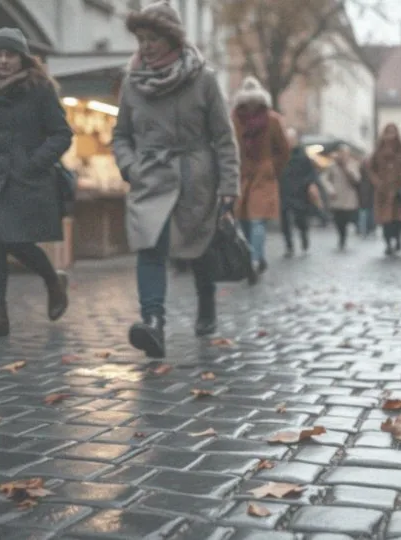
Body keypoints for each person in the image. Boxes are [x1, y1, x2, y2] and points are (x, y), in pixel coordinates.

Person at [112, 1, 240, 356]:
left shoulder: (203, 78)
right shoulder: (132, 82)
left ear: (172, 39)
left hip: (195, 178)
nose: (146, 46)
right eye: (141, 39)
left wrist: (229, 186)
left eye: (153, 39)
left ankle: (206, 302)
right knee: (149, 246)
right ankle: (153, 323)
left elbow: (223, 138)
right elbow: (121, 135)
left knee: (199, 249)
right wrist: (130, 167)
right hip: (150, 177)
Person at [0, 28, 72, 343]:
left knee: (16, 240)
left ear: (22, 57)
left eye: (9, 55)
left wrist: (33, 162)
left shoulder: (40, 88)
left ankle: (52, 280)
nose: (3, 61)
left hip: (25, 180)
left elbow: (61, 134)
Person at [231, 77, 291, 277]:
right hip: (241, 175)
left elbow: (284, 150)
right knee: (244, 220)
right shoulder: (234, 120)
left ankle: (254, 260)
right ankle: (255, 257)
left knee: (256, 219)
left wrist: (272, 168)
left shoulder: (271, 120)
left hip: (261, 176)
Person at [368, 124, 401, 256]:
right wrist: (376, 181)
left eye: (393, 132)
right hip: (383, 191)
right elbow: (370, 169)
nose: (390, 135)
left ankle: (398, 238)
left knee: (398, 219)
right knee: (385, 220)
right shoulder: (378, 151)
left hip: (399, 190)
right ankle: (388, 244)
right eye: (388, 132)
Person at [279, 128, 318, 257]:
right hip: (284, 192)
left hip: (299, 193)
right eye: (287, 139)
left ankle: (304, 236)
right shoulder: (281, 154)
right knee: (284, 221)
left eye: (291, 139)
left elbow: (311, 173)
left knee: (300, 219)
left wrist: (308, 184)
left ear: (296, 140)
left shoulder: (303, 155)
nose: (289, 142)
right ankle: (289, 246)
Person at [323, 145, 361, 250]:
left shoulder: (353, 164)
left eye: (345, 154)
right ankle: (341, 237)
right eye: (341, 153)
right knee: (338, 220)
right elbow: (325, 179)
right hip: (337, 196)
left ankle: (345, 236)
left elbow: (357, 179)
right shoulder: (332, 166)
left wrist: (346, 168)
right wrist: (330, 189)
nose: (343, 156)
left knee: (347, 218)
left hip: (349, 197)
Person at [357, 158, 376, 238]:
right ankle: (365, 230)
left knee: (369, 215)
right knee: (365, 215)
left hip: (370, 197)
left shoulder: (372, 173)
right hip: (363, 197)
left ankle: (368, 230)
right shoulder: (361, 174)